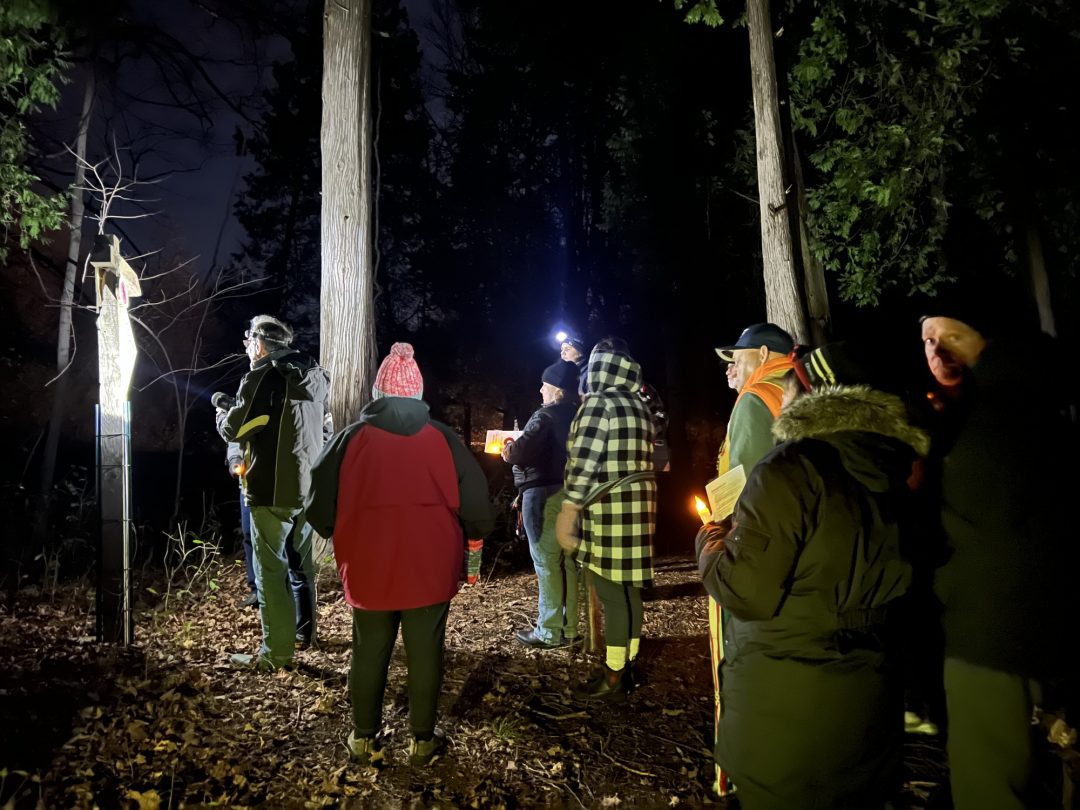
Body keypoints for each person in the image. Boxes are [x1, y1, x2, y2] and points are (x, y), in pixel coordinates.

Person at [697, 341, 929, 809]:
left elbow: (746, 591)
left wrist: (708, 543)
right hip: (869, 709)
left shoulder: (790, 470)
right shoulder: (896, 477)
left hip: (787, 722)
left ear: (808, 395)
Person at [305, 342, 495, 766]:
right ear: (417, 393)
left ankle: (363, 737)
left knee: (369, 647)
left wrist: (333, 528)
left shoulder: (350, 439)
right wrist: (478, 533)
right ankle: (422, 741)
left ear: (378, 393)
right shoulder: (442, 439)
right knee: (426, 649)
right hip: (431, 564)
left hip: (369, 565)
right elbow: (476, 501)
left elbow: (318, 503)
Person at [919, 298, 1074, 810]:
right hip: (1009, 632)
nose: (938, 352)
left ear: (988, 339)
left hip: (990, 637)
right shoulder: (1002, 407)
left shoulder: (1000, 414)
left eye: (951, 336)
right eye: (927, 341)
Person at [705, 322, 794, 794]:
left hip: (756, 554)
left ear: (763, 354)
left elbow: (745, 485)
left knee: (741, 659)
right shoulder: (799, 388)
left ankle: (739, 773)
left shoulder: (756, 399)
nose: (730, 372)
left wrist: (723, 544)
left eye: (735, 360)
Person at [216, 315, 332, 671]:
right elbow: (322, 430)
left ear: (263, 343)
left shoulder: (262, 376)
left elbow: (237, 428)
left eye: (250, 339)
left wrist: (222, 413)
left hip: (270, 488)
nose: (248, 346)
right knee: (303, 567)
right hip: (307, 489)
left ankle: (276, 654)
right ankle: (305, 634)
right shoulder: (316, 377)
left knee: (270, 571)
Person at [555, 341, 657, 701]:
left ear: (598, 369)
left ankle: (613, 675)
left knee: (612, 591)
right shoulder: (639, 404)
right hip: (640, 506)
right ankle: (627, 665)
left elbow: (584, 460)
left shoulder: (599, 403)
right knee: (629, 590)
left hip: (610, 507)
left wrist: (569, 508)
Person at [501, 359, 581, 650]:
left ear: (557, 390)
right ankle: (569, 628)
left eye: (545, 386)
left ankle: (548, 631)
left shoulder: (544, 417)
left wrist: (507, 449)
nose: (540, 390)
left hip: (542, 495)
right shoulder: (578, 415)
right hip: (570, 493)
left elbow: (520, 452)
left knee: (546, 562)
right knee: (567, 563)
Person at [225, 441, 257, 608]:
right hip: (247, 484)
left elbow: (325, 429)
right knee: (249, 535)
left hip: (283, 483)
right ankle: (256, 590)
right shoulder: (241, 413)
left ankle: (285, 589)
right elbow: (234, 434)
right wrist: (235, 459)